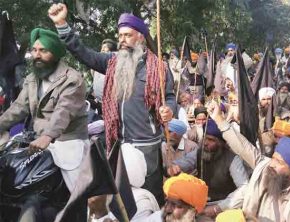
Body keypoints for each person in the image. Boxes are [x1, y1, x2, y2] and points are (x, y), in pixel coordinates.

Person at [48, 3, 176, 205]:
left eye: (127, 35)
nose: (121, 40)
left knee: (151, 198)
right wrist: (62, 25)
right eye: (120, 36)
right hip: (118, 144)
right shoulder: (111, 62)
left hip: (147, 147)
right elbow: (83, 53)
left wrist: (169, 110)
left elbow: (169, 97)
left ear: (140, 37)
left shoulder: (159, 68)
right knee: (122, 200)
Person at [0, 28, 88, 220]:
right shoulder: (32, 79)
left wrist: (48, 136)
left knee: (79, 195)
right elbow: (18, 109)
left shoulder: (72, 79)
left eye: (43, 51)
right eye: (35, 50)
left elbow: (63, 112)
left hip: (67, 142)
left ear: (55, 53)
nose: (37, 55)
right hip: (36, 141)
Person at [208, 101, 290, 221]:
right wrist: (219, 120)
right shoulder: (265, 169)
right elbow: (243, 147)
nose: (272, 164)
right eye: (274, 159)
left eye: (280, 162)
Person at [167, 119, 249, 219]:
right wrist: (173, 167)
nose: (205, 143)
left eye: (211, 140)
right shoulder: (200, 152)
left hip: (224, 207)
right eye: (205, 138)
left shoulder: (232, 159)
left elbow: (245, 188)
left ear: (221, 143)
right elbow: (184, 162)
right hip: (200, 206)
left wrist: (218, 208)